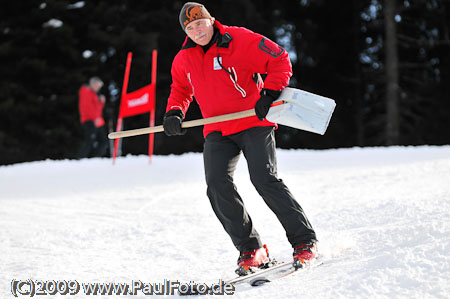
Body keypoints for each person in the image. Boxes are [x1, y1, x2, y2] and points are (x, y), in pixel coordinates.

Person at [163, 2, 317, 273]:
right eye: (190, 27)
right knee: (217, 186)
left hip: (253, 122)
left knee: (264, 179)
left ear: (210, 20)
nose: (197, 30)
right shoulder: (183, 58)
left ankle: (305, 241)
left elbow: (279, 58)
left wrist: (269, 93)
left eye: (200, 23)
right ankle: (251, 248)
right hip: (218, 129)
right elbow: (181, 88)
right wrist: (174, 113)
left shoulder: (239, 39)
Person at [77, 76, 108, 159]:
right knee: (90, 140)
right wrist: (95, 118)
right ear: (92, 84)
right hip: (90, 120)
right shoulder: (86, 92)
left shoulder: (93, 94)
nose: (98, 88)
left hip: (96, 120)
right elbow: (87, 107)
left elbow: (97, 108)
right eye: (97, 85)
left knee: (102, 140)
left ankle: (96, 158)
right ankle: (81, 158)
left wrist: (101, 102)